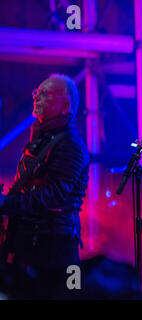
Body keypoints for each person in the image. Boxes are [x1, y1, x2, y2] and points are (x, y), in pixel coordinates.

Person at [0, 74, 89, 299]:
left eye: (46, 94)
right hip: (32, 245)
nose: (37, 98)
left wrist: (6, 203)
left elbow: (54, 196)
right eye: (36, 93)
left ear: (66, 106)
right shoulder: (44, 139)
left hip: (53, 249)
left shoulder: (70, 144)